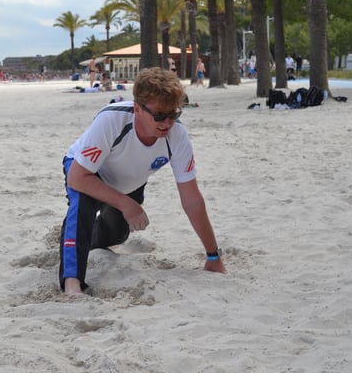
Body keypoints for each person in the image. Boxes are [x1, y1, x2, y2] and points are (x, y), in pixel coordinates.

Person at [58, 67, 227, 295]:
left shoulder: (177, 136)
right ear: (137, 109)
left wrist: (213, 255)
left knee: (116, 234)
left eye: (173, 114)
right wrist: (125, 204)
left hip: (129, 183)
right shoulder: (111, 120)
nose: (167, 123)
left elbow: (192, 200)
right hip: (88, 172)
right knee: (82, 209)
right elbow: (77, 178)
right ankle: (72, 284)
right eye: (159, 116)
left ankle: (75, 237)